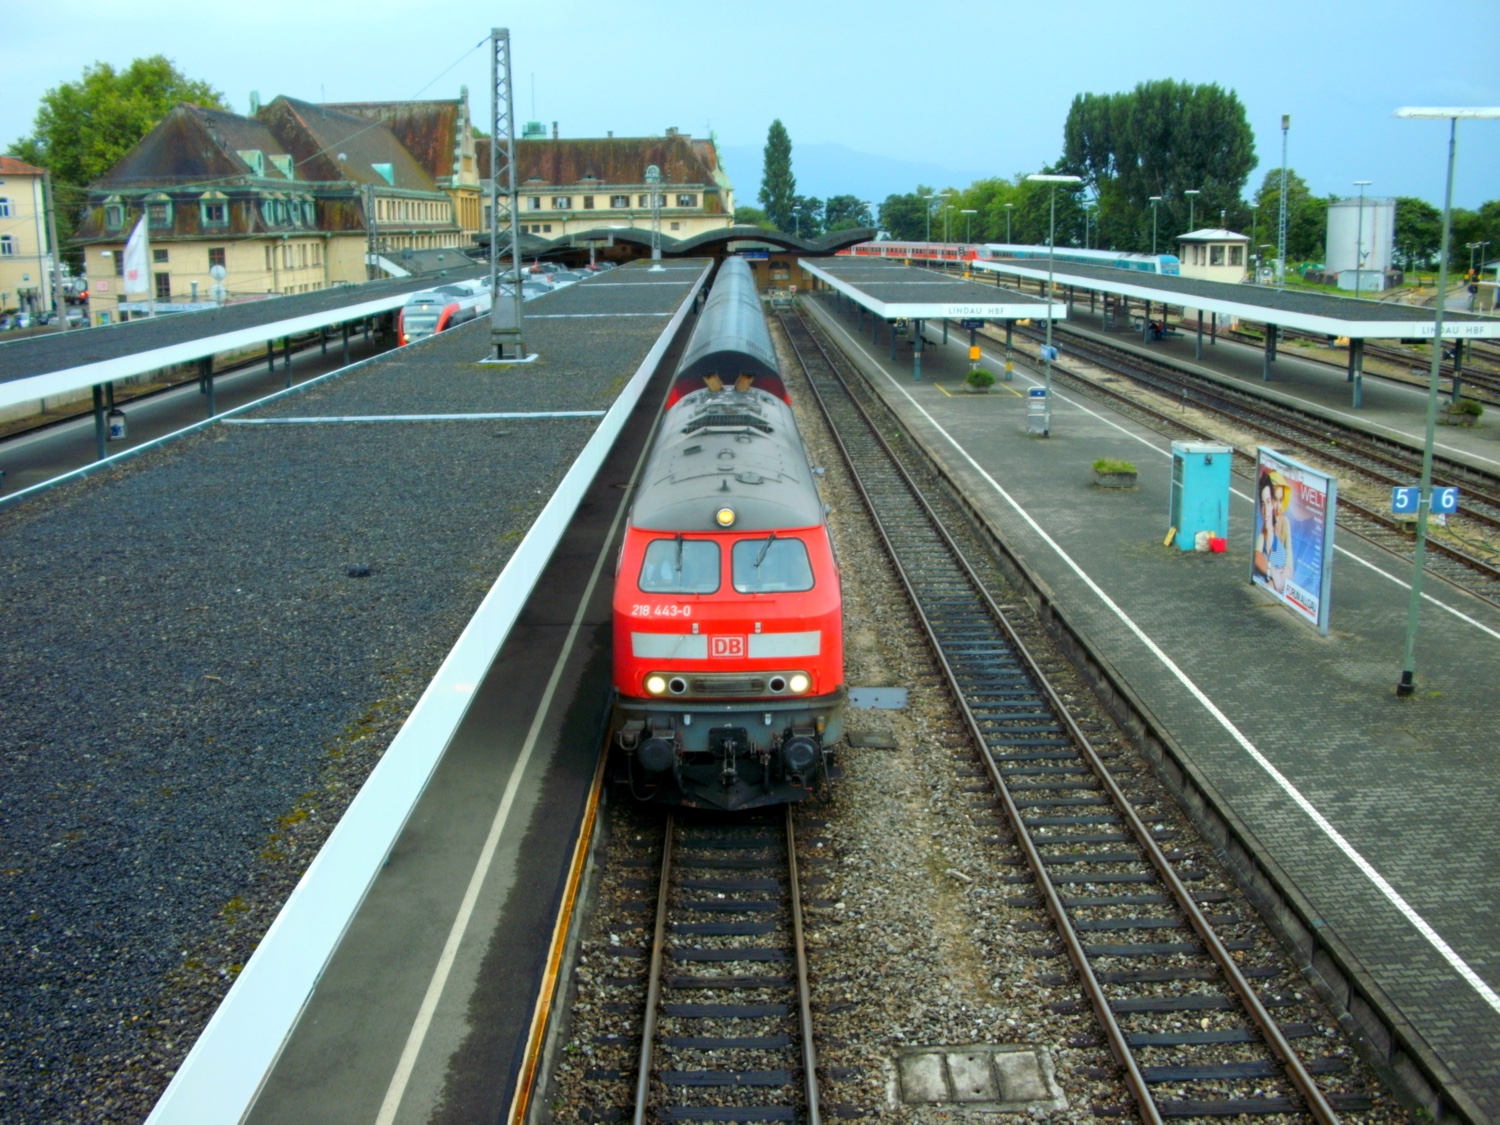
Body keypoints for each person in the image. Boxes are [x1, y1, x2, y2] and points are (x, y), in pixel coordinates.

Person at [1253, 469, 1293, 593]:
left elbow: (1289, 566)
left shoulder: (1285, 523)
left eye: (1281, 500)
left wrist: (1281, 578)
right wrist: (1273, 575)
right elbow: (1257, 556)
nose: (1278, 506)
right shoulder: (1264, 528)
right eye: (1275, 499)